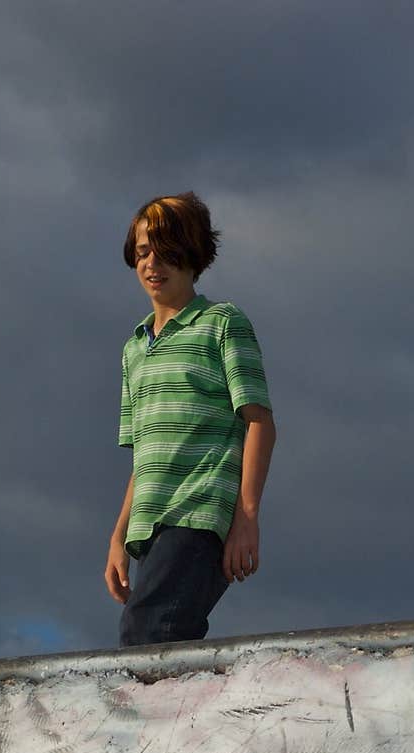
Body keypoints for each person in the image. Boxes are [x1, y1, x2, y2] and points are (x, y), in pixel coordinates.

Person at [105, 191, 276, 647]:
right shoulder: (134, 348)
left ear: (192, 254)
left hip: (201, 513)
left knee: (149, 634)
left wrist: (246, 518)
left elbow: (259, 422)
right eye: (143, 252)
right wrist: (118, 537)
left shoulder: (222, 323)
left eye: (166, 251)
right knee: (152, 641)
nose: (152, 263)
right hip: (151, 527)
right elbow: (144, 457)